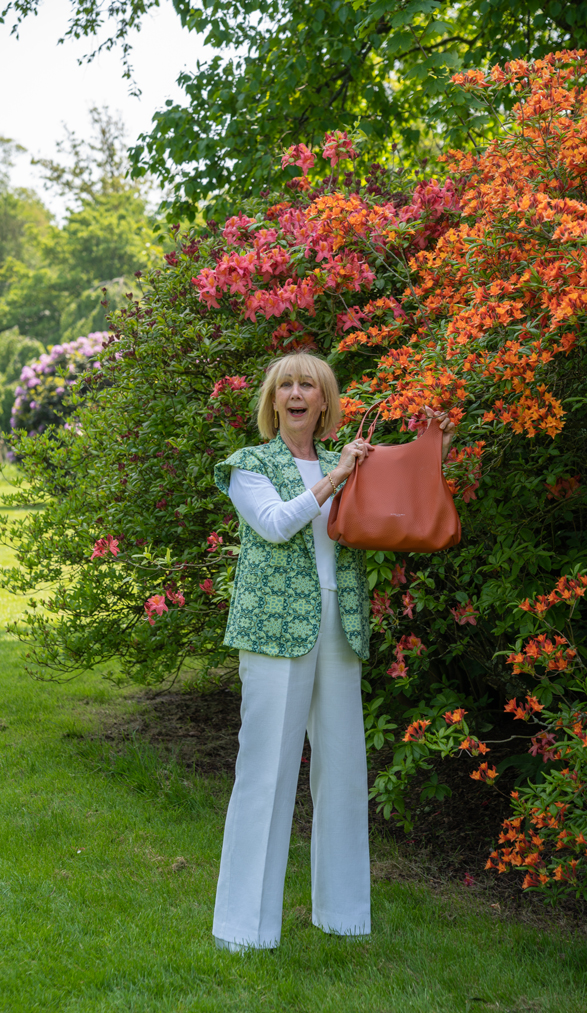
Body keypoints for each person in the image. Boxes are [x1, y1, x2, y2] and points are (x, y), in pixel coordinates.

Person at [212, 351, 455, 952]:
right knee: (265, 772)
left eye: (309, 385)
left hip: (339, 627)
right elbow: (274, 524)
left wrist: (434, 447)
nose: (296, 393)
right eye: (285, 385)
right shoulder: (250, 464)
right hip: (273, 631)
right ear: (273, 402)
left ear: (324, 403)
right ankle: (244, 929)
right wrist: (335, 478)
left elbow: (398, 509)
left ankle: (344, 916)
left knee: (344, 772)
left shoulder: (346, 460)